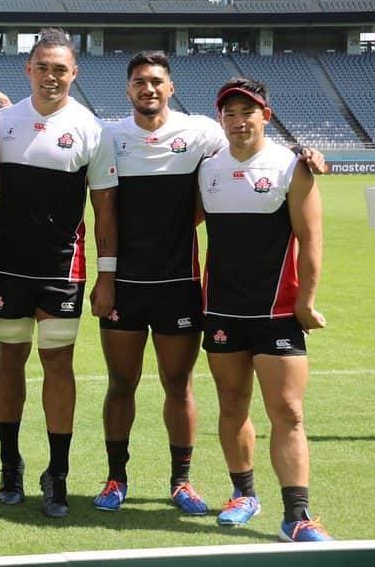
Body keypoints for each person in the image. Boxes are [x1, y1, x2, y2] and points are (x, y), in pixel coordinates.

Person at [90, 52, 325, 516]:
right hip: (125, 285)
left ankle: (182, 482)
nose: (148, 89)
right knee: (121, 384)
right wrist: (105, 277)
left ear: (171, 87)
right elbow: (104, 212)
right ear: (128, 89)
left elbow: (252, 146)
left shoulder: (200, 133)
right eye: (139, 82)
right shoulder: (110, 136)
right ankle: (116, 478)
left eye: (156, 81)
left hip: (181, 284)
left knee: (180, 387)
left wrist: (306, 152)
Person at [0, 28, 117, 518]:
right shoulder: (4, 123)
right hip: (9, 265)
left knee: (57, 364)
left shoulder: (91, 128)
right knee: (9, 360)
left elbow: (104, 209)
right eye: (42, 67)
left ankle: (57, 473)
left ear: (73, 73)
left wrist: (107, 274)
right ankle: (9, 463)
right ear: (29, 70)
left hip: (63, 268)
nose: (51, 76)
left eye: (60, 69)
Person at [198, 77, 332, 542]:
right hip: (221, 311)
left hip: (277, 314)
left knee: (289, 413)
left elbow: (311, 241)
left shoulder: (290, 168)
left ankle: (297, 516)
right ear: (221, 121)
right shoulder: (207, 169)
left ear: (266, 117)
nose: (238, 122)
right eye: (229, 114)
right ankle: (243, 495)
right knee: (231, 405)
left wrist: (307, 302)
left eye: (247, 113)